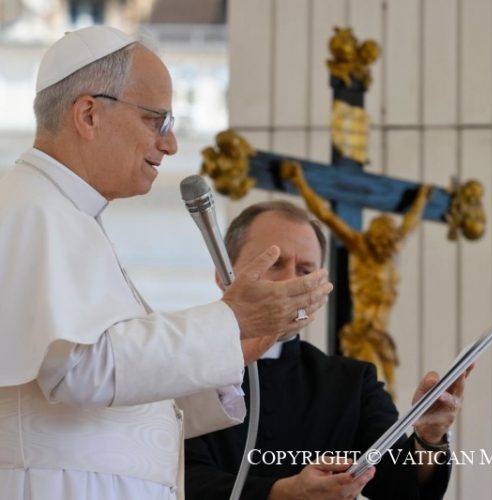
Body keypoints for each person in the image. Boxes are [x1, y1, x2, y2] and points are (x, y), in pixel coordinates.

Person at [0, 26, 333, 500]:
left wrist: (230, 349)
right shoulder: (33, 210)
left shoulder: (67, 215)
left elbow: (118, 407)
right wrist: (228, 319)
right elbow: (80, 371)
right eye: (157, 120)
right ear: (89, 114)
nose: (171, 143)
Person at [185, 200, 470, 500]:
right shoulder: (181, 370)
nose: (291, 282)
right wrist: (282, 493)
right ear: (223, 274)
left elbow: (400, 487)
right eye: (274, 263)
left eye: (305, 270)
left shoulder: (352, 383)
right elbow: (175, 479)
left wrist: (429, 436)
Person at [281, 159, 433, 396]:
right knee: (371, 389)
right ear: (375, 238)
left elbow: (409, 224)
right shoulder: (361, 247)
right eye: (384, 242)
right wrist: (300, 182)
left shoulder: (391, 249)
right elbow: (325, 215)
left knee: (389, 393)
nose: (388, 248)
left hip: (381, 335)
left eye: (391, 243)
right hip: (361, 332)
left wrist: (422, 198)